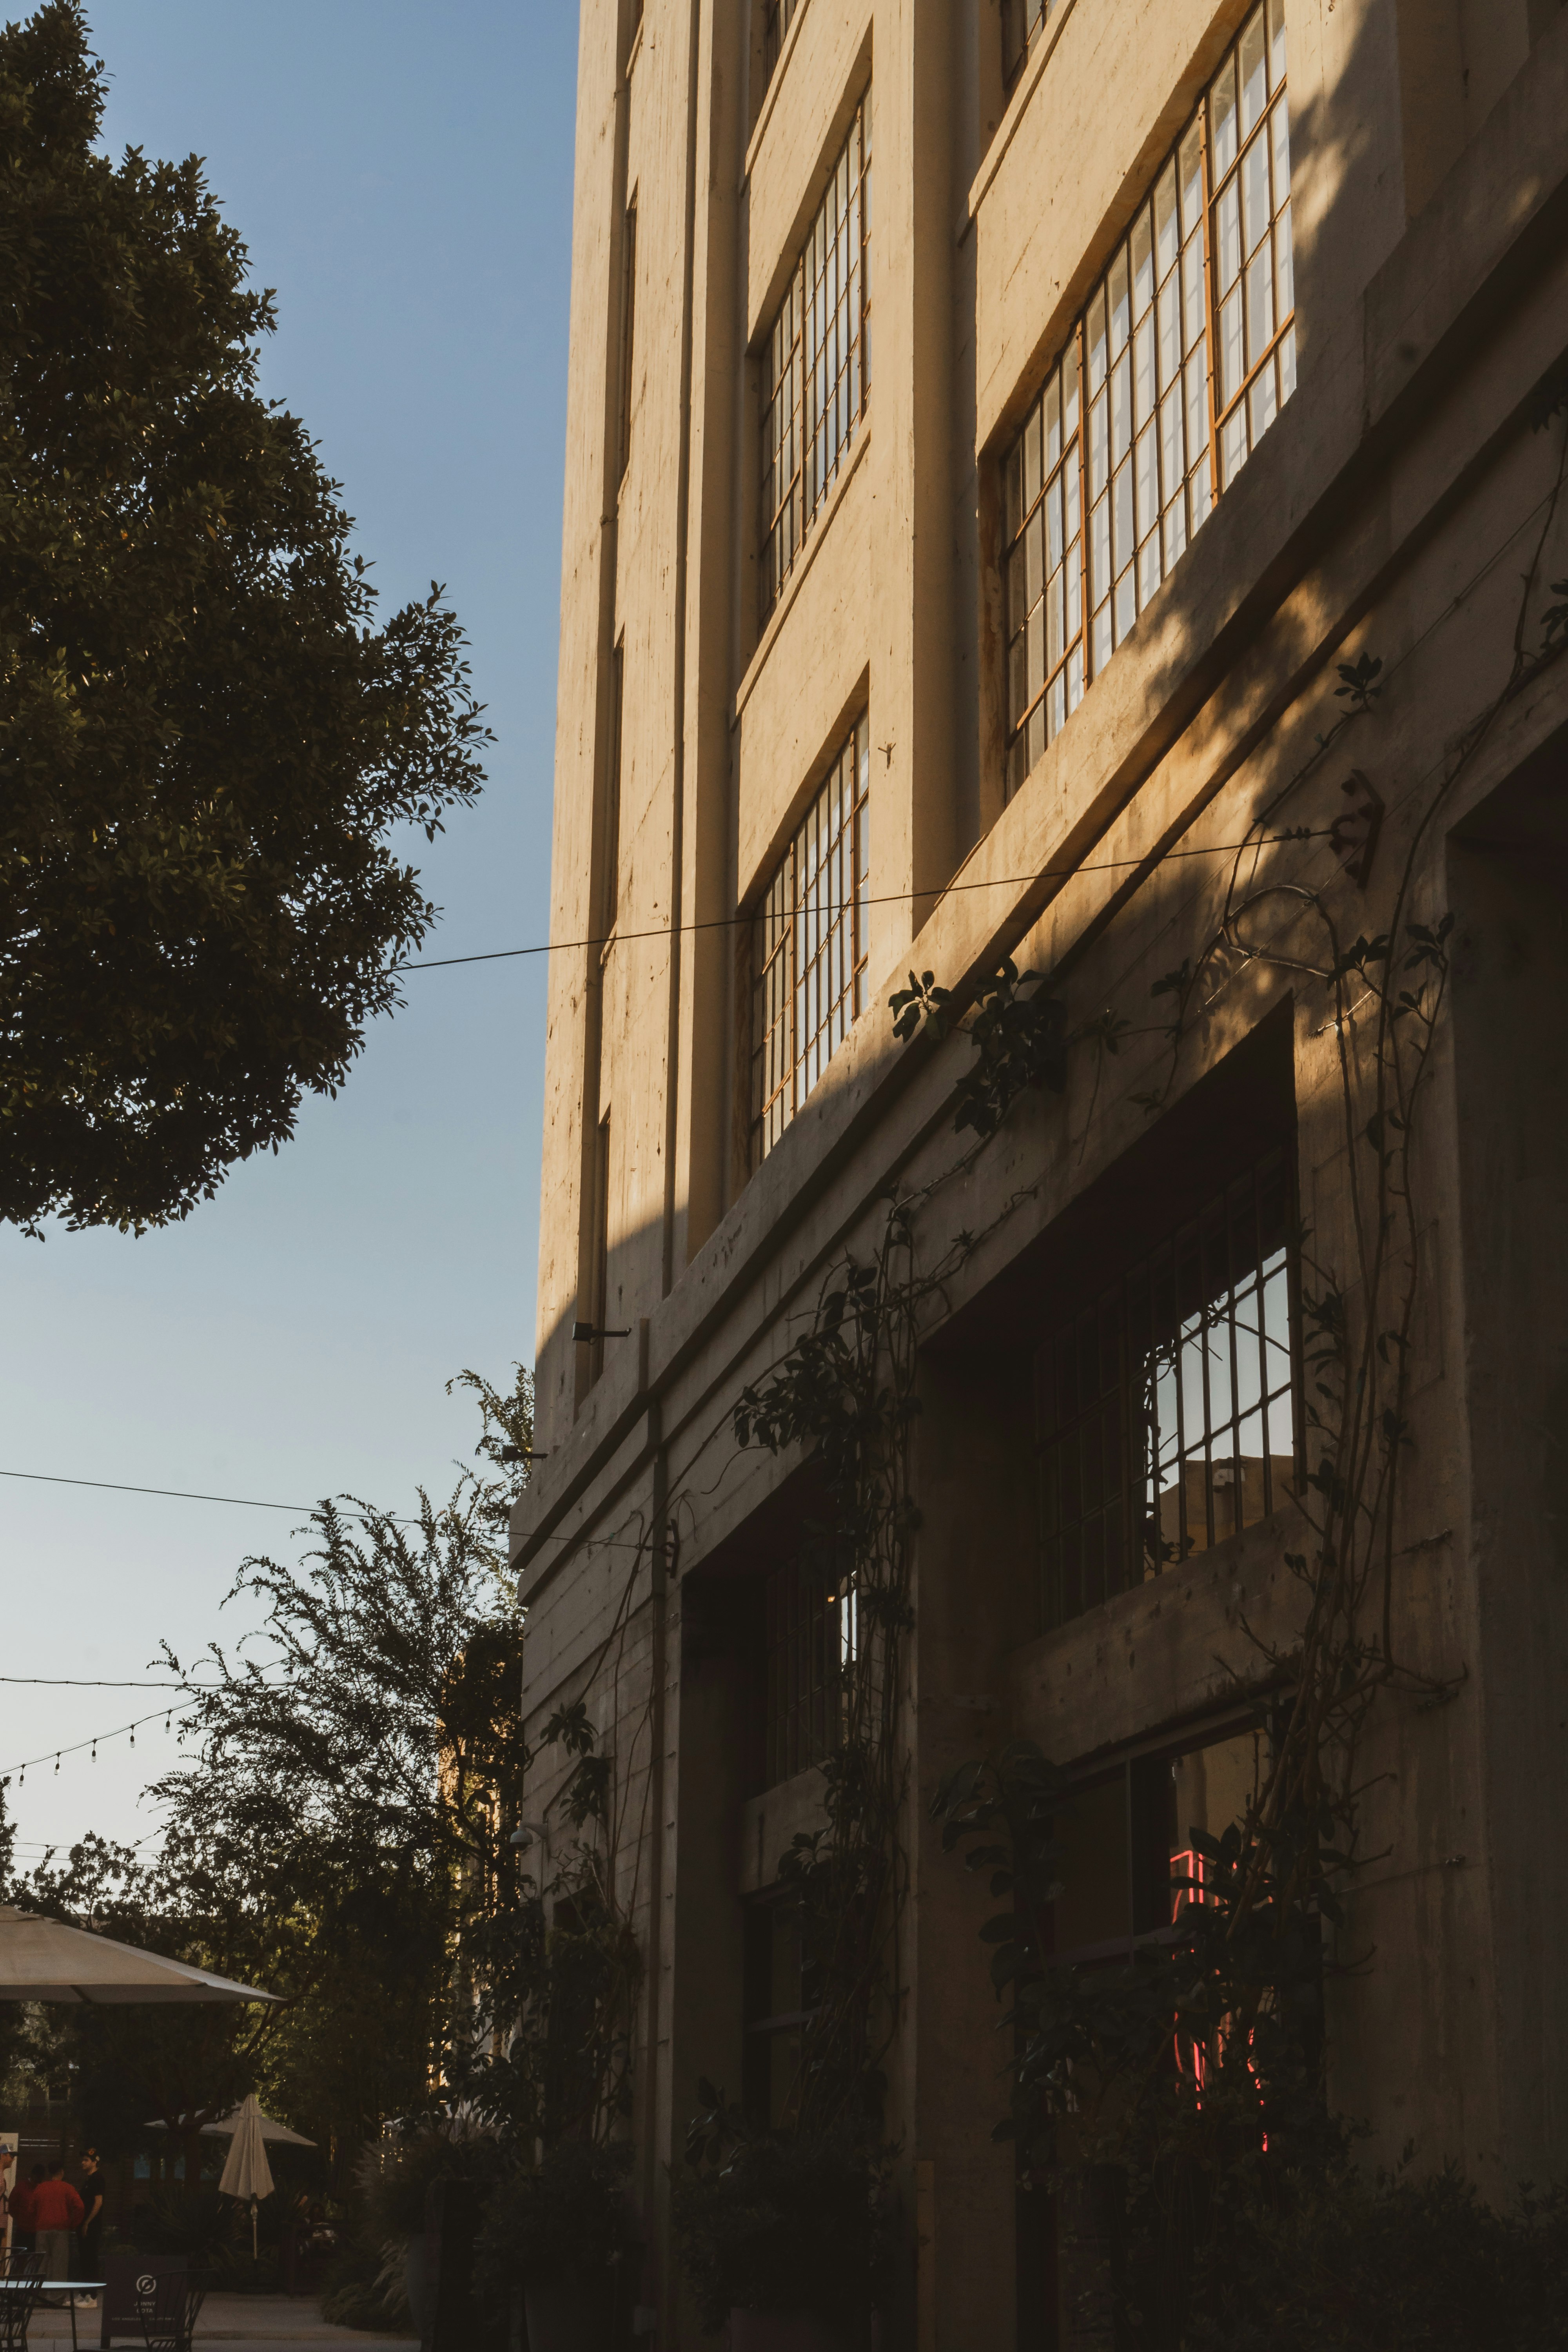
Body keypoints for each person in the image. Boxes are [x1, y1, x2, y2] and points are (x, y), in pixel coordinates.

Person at [31, 2161, 83, 2301]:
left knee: (42, 2263)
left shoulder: (41, 2188)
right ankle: (57, 2297)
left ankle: (40, 2296)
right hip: (61, 2229)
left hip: (42, 2229)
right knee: (60, 2263)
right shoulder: (67, 2188)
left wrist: (37, 2221)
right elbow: (80, 2207)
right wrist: (73, 2223)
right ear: (62, 2172)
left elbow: (31, 2208)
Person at [74, 2151, 103, 2306]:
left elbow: (98, 2202)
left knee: (91, 2259)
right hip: (84, 2224)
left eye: (86, 2160)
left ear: (94, 2162)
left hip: (91, 2225)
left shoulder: (98, 2178)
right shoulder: (89, 2179)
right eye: (83, 2160)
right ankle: (84, 2293)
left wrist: (88, 2222)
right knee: (84, 2259)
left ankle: (92, 2297)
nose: (83, 2163)